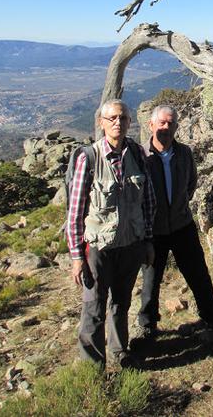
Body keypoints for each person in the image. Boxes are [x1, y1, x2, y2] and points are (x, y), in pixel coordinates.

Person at [133, 104, 213, 343]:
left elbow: (190, 185)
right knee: (151, 279)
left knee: (198, 273)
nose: (166, 128)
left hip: (182, 225)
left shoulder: (184, 153)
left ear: (176, 127)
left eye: (171, 123)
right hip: (153, 229)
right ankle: (148, 325)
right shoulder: (141, 156)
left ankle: (211, 316)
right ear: (151, 126)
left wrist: (177, 208)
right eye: (162, 123)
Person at [67, 98, 156, 368]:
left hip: (131, 243)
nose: (118, 122)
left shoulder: (138, 154)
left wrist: (148, 240)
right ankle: (93, 367)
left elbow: (148, 200)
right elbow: (75, 210)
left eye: (123, 118)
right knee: (94, 307)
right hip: (98, 247)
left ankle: (120, 351)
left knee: (121, 302)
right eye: (112, 118)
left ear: (130, 121)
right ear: (101, 123)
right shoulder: (89, 157)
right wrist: (76, 256)